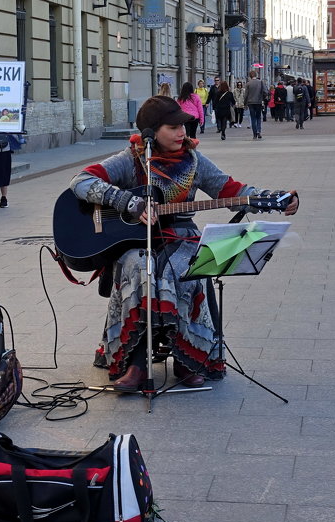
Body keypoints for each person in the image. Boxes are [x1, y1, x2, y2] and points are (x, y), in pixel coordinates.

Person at [69, 96, 300, 392]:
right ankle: (135, 363)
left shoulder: (194, 160)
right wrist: (128, 202)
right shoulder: (131, 159)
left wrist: (273, 198)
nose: (182, 132)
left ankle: (187, 358)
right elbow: (81, 181)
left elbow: (232, 189)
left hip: (182, 235)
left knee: (183, 269)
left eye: (183, 126)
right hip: (135, 240)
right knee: (141, 267)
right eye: (173, 126)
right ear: (152, 132)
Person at [244, 70, 266, 139]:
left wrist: (245, 104)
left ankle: (254, 134)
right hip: (258, 102)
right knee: (258, 117)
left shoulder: (248, 84)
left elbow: (246, 95)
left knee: (253, 118)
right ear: (256, 75)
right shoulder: (260, 82)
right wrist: (263, 98)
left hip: (251, 103)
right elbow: (265, 91)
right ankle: (259, 131)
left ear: (250, 76)